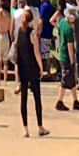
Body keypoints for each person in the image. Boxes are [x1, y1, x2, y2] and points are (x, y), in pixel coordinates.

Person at [15, 8, 49, 138]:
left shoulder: (19, 32)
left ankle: (25, 129)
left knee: (23, 98)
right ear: (31, 21)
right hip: (32, 68)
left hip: (23, 68)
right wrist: (41, 68)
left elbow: (18, 50)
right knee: (37, 98)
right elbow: (36, 53)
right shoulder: (32, 34)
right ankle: (40, 126)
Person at [53, 3, 79, 111]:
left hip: (62, 55)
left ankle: (75, 101)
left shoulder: (62, 22)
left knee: (71, 80)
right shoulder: (69, 29)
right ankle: (59, 101)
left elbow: (59, 36)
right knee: (65, 79)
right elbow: (70, 46)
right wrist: (72, 60)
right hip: (67, 57)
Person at [37, 0, 55, 77]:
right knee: (48, 52)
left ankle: (46, 71)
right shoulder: (52, 6)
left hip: (44, 33)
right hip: (50, 32)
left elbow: (41, 20)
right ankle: (48, 71)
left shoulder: (43, 6)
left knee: (44, 53)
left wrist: (39, 32)